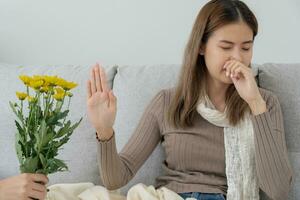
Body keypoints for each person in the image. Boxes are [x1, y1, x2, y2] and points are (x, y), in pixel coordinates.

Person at [86, 0, 293, 199]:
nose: (237, 58)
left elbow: (278, 191)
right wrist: (104, 130)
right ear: (201, 46)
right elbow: (116, 179)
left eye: (246, 48)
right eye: (226, 47)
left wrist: (255, 103)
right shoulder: (167, 102)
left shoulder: (264, 103)